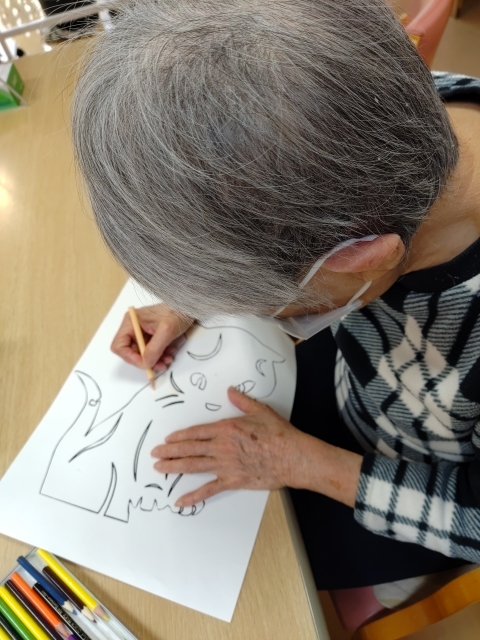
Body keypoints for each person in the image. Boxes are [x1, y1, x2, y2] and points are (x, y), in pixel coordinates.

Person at [71, 0, 480, 590]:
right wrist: (194, 293)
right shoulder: (363, 97)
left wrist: (303, 464)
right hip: (363, 379)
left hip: (418, 478)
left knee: (262, 572)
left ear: (362, 257)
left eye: (274, 307)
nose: (257, 315)